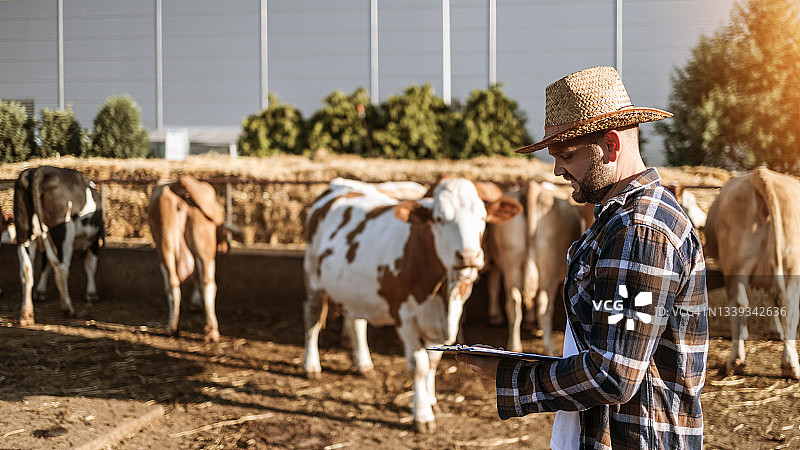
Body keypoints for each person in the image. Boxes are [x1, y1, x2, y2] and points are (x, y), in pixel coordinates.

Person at [456, 66, 708, 449]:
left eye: (566, 155)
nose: (557, 170)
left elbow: (613, 374)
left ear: (611, 144)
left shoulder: (638, 232)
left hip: (635, 437)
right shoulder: (625, 220)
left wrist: (511, 376)